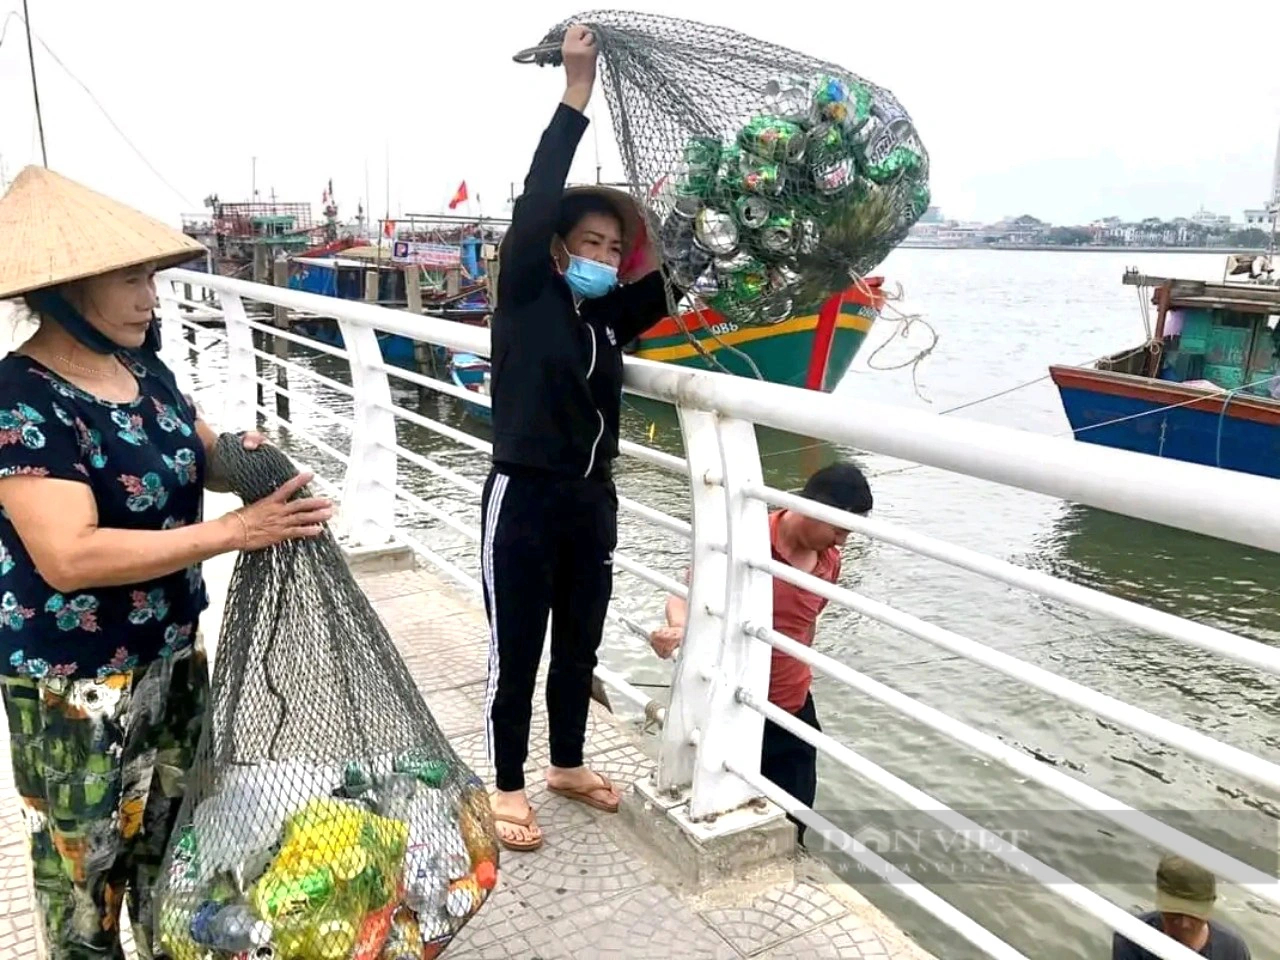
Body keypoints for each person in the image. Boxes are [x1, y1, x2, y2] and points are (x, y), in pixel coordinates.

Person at [0, 166, 333, 960]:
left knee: (178, 845)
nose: (152, 296)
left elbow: (199, 455)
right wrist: (233, 533)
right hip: (73, 686)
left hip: (175, 655)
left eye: (150, 275)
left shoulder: (143, 369)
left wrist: (247, 465)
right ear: (68, 289)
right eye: (132, 278)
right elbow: (69, 555)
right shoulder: (19, 399)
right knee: (87, 878)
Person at [480, 23, 673, 852]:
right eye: (588, 242)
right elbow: (536, 197)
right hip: (523, 495)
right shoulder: (527, 295)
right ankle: (507, 786)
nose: (602, 253)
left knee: (579, 642)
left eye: (613, 246)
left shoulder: (606, 318)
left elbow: (670, 280)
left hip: (592, 501)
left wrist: (694, 215)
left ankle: (565, 763)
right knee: (517, 648)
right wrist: (578, 94)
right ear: (559, 249)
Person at [650, 463, 874, 844]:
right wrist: (681, 630)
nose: (842, 543)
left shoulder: (829, 561)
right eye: (838, 529)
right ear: (812, 507)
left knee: (795, 820)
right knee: (722, 812)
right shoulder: (745, 538)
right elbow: (683, 596)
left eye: (848, 533)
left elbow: (806, 624)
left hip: (792, 705)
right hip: (731, 707)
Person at [1111, 855, 1250, 959]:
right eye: (1175, 913)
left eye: (1193, 914)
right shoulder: (1132, 939)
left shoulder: (1232, 949)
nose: (1184, 924)